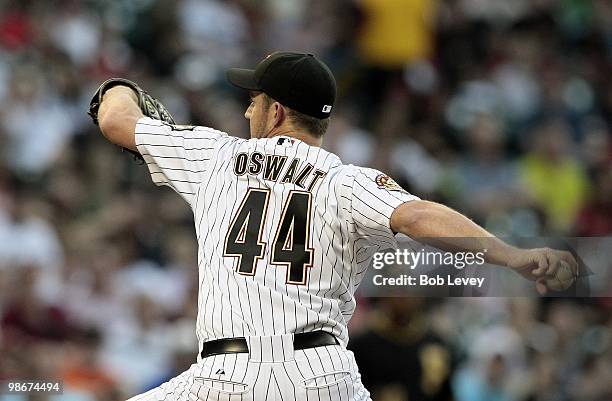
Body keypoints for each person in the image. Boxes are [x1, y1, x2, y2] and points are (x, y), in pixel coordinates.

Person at [92, 52, 577, 401]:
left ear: (276, 110)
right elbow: (418, 216)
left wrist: (119, 85)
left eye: (254, 100)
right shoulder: (347, 182)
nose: (246, 110)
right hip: (319, 376)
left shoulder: (216, 156)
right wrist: (511, 255)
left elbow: (114, 119)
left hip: (223, 378)